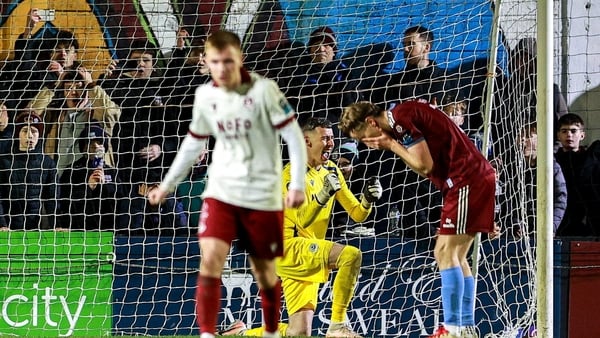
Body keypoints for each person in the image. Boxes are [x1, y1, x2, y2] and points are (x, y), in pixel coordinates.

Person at [147, 30, 308, 338]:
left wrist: (297, 183)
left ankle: (271, 332)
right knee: (210, 260)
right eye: (215, 62)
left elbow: (293, 136)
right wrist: (167, 184)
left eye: (228, 61)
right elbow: (194, 144)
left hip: (261, 193)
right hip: (221, 190)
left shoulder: (265, 91)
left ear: (240, 59)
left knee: (264, 270)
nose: (221, 69)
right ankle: (208, 334)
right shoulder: (206, 96)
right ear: (207, 62)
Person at [340, 100, 496, 338]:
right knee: (457, 256)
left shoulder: (400, 121)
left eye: (364, 138)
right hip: (470, 180)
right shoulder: (405, 112)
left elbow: (424, 166)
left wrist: (392, 144)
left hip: (465, 180)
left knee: (444, 253)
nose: (369, 145)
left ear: (371, 122)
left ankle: (453, 329)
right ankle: (465, 327)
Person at [221, 118, 381, 338]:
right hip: (289, 248)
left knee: (299, 333)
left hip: (307, 250)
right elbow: (301, 220)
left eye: (332, 138)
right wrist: (323, 195)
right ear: (306, 141)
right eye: (325, 138)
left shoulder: (331, 170)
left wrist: (368, 199)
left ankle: (239, 334)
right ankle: (337, 326)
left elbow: (358, 214)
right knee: (351, 256)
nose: (331, 143)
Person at [57, 123, 126, 230]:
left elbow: (119, 205)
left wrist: (103, 188)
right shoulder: (71, 171)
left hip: (106, 232)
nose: (95, 147)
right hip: (77, 232)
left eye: (99, 142)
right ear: (83, 147)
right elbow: (64, 203)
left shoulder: (112, 173)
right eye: (90, 143)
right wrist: (88, 188)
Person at [0, 111, 58, 230]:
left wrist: (57, 225)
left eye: (34, 131)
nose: (30, 136)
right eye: (25, 131)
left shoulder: (47, 164)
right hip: (7, 228)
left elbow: (52, 199)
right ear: (18, 134)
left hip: (34, 229)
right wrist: (2, 224)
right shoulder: (3, 162)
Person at [554, 113, 600, 236]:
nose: (569, 135)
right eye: (564, 131)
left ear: (582, 135)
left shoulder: (592, 160)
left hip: (589, 223)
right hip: (560, 221)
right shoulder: (552, 162)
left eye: (573, 131)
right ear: (558, 135)